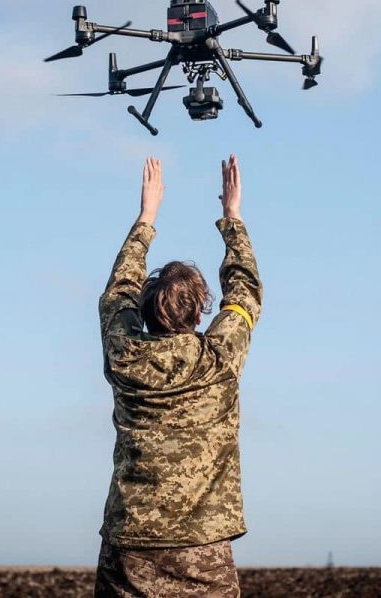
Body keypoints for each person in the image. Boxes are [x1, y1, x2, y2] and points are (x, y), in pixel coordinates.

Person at [94, 155, 262, 598]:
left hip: (128, 549)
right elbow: (245, 291)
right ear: (200, 308)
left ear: (146, 310)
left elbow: (118, 293)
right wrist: (232, 218)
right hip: (204, 551)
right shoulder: (219, 357)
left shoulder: (124, 354)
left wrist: (146, 218)